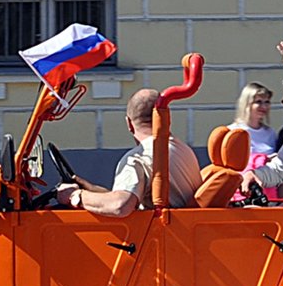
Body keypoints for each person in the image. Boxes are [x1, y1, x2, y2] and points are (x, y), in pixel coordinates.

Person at [54, 88, 202, 217]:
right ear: (165, 119)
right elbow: (125, 194)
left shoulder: (138, 158)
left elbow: (120, 205)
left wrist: (75, 196)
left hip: (152, 240)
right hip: (180, 234)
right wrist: (89, 189)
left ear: (129, 124)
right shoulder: (183, 150)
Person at [229, 82, 278, 154]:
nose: (264, 106)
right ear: (247, 104)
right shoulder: (232, 132)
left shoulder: (270, 133)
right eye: (258, 102)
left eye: (267, 102)